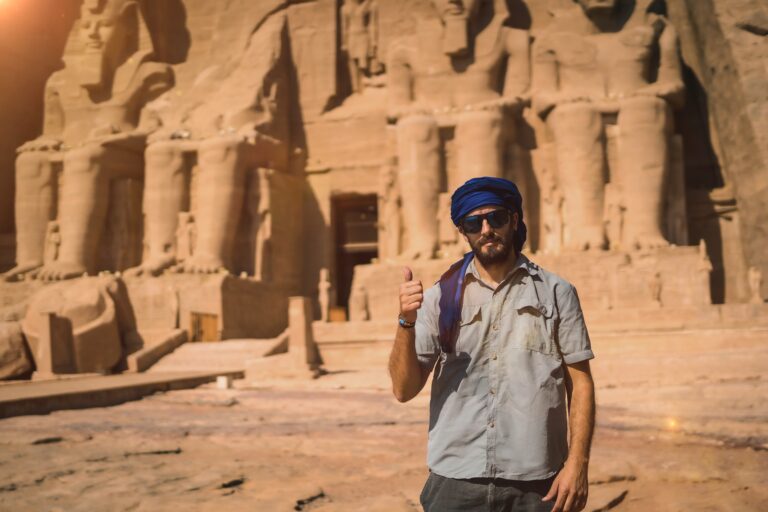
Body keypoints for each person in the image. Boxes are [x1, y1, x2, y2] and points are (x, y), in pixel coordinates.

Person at [389, 177, 596, 512]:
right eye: (473, 222)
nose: (486, 229)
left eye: (495, 218)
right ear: (463, 231)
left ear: (514, 219)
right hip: (456, 482)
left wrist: (578, 463)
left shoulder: (557, 293)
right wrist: (405, 323)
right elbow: (403, 389)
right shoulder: (439, 300)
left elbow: (581, 382)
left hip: (537, 484)